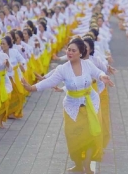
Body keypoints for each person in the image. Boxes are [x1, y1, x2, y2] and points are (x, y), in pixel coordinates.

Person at [22, 38, 114, 174]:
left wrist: (102, 76)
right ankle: (78, 164)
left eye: (73, 50)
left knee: (90, 136)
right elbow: (49, 81)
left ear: (80, 53)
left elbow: (98, 72)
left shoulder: (87, 64)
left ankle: (87, 167)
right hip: (72, 108)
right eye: (68, 50)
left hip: (90, 104)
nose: (69, 53)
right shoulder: (62, 69)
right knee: (73, 137)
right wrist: (32, 88)